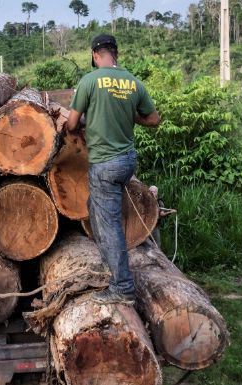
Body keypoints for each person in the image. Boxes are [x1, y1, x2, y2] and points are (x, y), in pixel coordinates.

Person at [65, 34, 160, 305]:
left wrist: (85, 118)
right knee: (95, 210)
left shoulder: (89, 81)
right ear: (115, 54)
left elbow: (71, 125)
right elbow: (153, 119)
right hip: (127, 160)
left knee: (110, 228)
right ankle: (111, 268)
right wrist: (130, 114)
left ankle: (122, 288)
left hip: (105, 164)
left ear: (96, 55)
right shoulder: (133, 82)